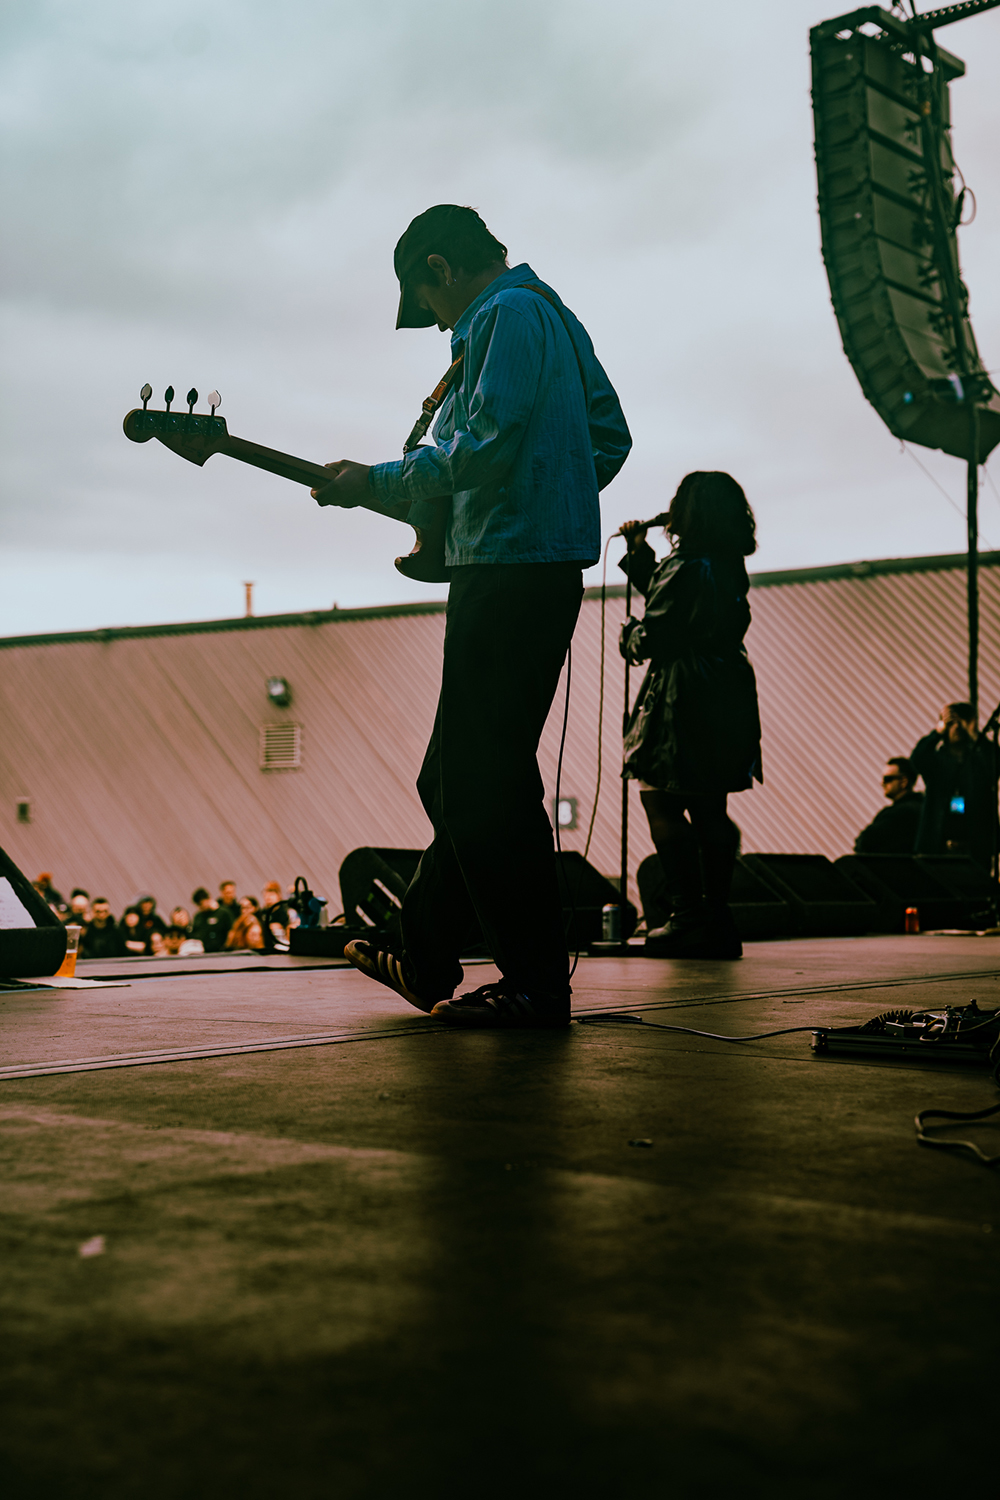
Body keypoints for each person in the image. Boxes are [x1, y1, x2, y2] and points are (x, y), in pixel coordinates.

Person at [312, 203, 631, 1027]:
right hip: (527, 564)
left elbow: (485, 444)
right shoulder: (551, 315)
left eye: (428, 304)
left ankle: (532, 984)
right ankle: (424, 956)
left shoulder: (503, 315)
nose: (434, 323)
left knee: (478, 781)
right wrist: (545, 496)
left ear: (440, 270)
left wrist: (381, 484)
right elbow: (608, 435)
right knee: (462, 777)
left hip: (508, 571)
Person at [618, 471, 762, 959]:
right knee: (708, 805)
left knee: (661, 800)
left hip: (684, 693)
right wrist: (641, 557)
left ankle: (685, 917)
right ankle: (717, 920)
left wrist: (630, 638)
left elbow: (659, 633)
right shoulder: (727, 562)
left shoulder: (686, 564)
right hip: (726, 690)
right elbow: (677, 600)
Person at [911, 703, 999, 870]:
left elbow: (996, 766)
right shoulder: (937, 760)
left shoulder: (980, 759)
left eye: (961, 722)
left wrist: (975, 735)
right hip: (939, 843)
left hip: (976, 844)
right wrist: (936, 732)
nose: (957, 728)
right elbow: (917, 760)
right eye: (952, 723)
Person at [854, 757, 924, 854]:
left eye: (888, 779)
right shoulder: (922, 809)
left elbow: (865, 842)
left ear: (904, 782)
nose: (882, 783)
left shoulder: (899, 813)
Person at [191, 888, 233, 953]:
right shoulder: (198, 916)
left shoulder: (223, 913)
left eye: (201, 904)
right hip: (202, 952)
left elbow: (231, 932)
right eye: (198, 905)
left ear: (208, 899)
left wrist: (226, 948)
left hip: (221, 951)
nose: (200, 907)